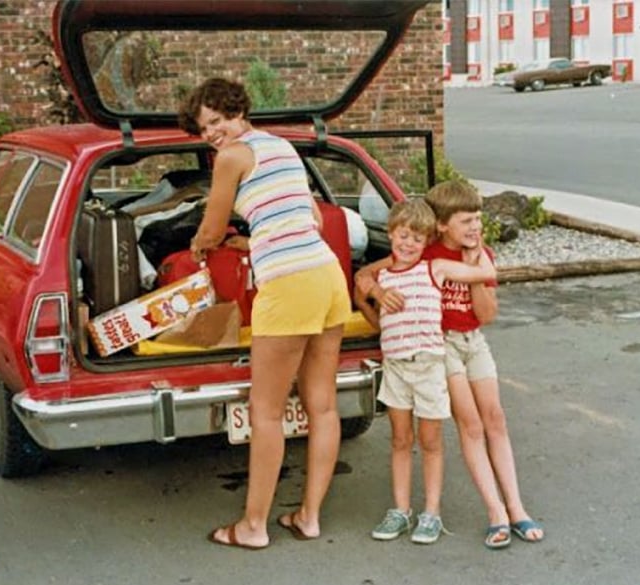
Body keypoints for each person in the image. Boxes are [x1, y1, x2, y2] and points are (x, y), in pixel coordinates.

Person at [179, 77, 350, 550]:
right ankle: (309, 516)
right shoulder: (281, 148)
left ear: (237, 110)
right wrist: (253, 241)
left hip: (290, 286)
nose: (212, 133)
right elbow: (309, 220)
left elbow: (211, 228)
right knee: (323, 405)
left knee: (266, 411)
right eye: (203, 128)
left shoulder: (231, 157)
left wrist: (200, 243)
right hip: (327, 277)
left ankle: (253, 526)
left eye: (216, 121)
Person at [356, 181, 544, 550]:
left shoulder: (479, 255)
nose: (476, 227)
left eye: (478, 219)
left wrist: (476, 265)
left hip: (473, 341)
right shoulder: (425, 253)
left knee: (495, 419)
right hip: (439, 346)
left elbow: (486, 315)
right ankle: (496, 512)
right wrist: (379, 297)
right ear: (442, 225)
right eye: (467, 220)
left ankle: (517, 507)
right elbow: (367, 276)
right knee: (470, 425)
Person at [353, 199, 496, 545]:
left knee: (431, 441)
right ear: (390, 234)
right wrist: (378, 304)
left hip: (430, 367)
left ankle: (431, 512)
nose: (408, 244)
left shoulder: (435, 269)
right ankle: (400, 510)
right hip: (397, 366)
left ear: (427, 242)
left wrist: (474, 248)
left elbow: (486, 274)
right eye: (403, 236)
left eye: (418, 239)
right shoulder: (382, 276)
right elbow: (360, 281)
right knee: (401, 440)